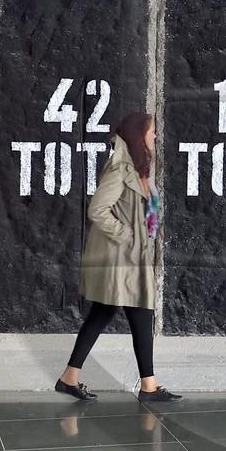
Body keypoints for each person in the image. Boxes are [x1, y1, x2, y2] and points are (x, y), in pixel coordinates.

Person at [56, 112, 182, 403]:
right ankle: (148, 387)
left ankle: (69, 377)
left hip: (131, 256)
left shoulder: (139, 169)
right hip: (121, 258)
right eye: (151, 133)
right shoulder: (120, 168)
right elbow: (98, 209)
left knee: (105, 312)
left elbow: (146, 209)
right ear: (139, 136)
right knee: (139, 311)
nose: (155, 138)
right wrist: (126, 235)